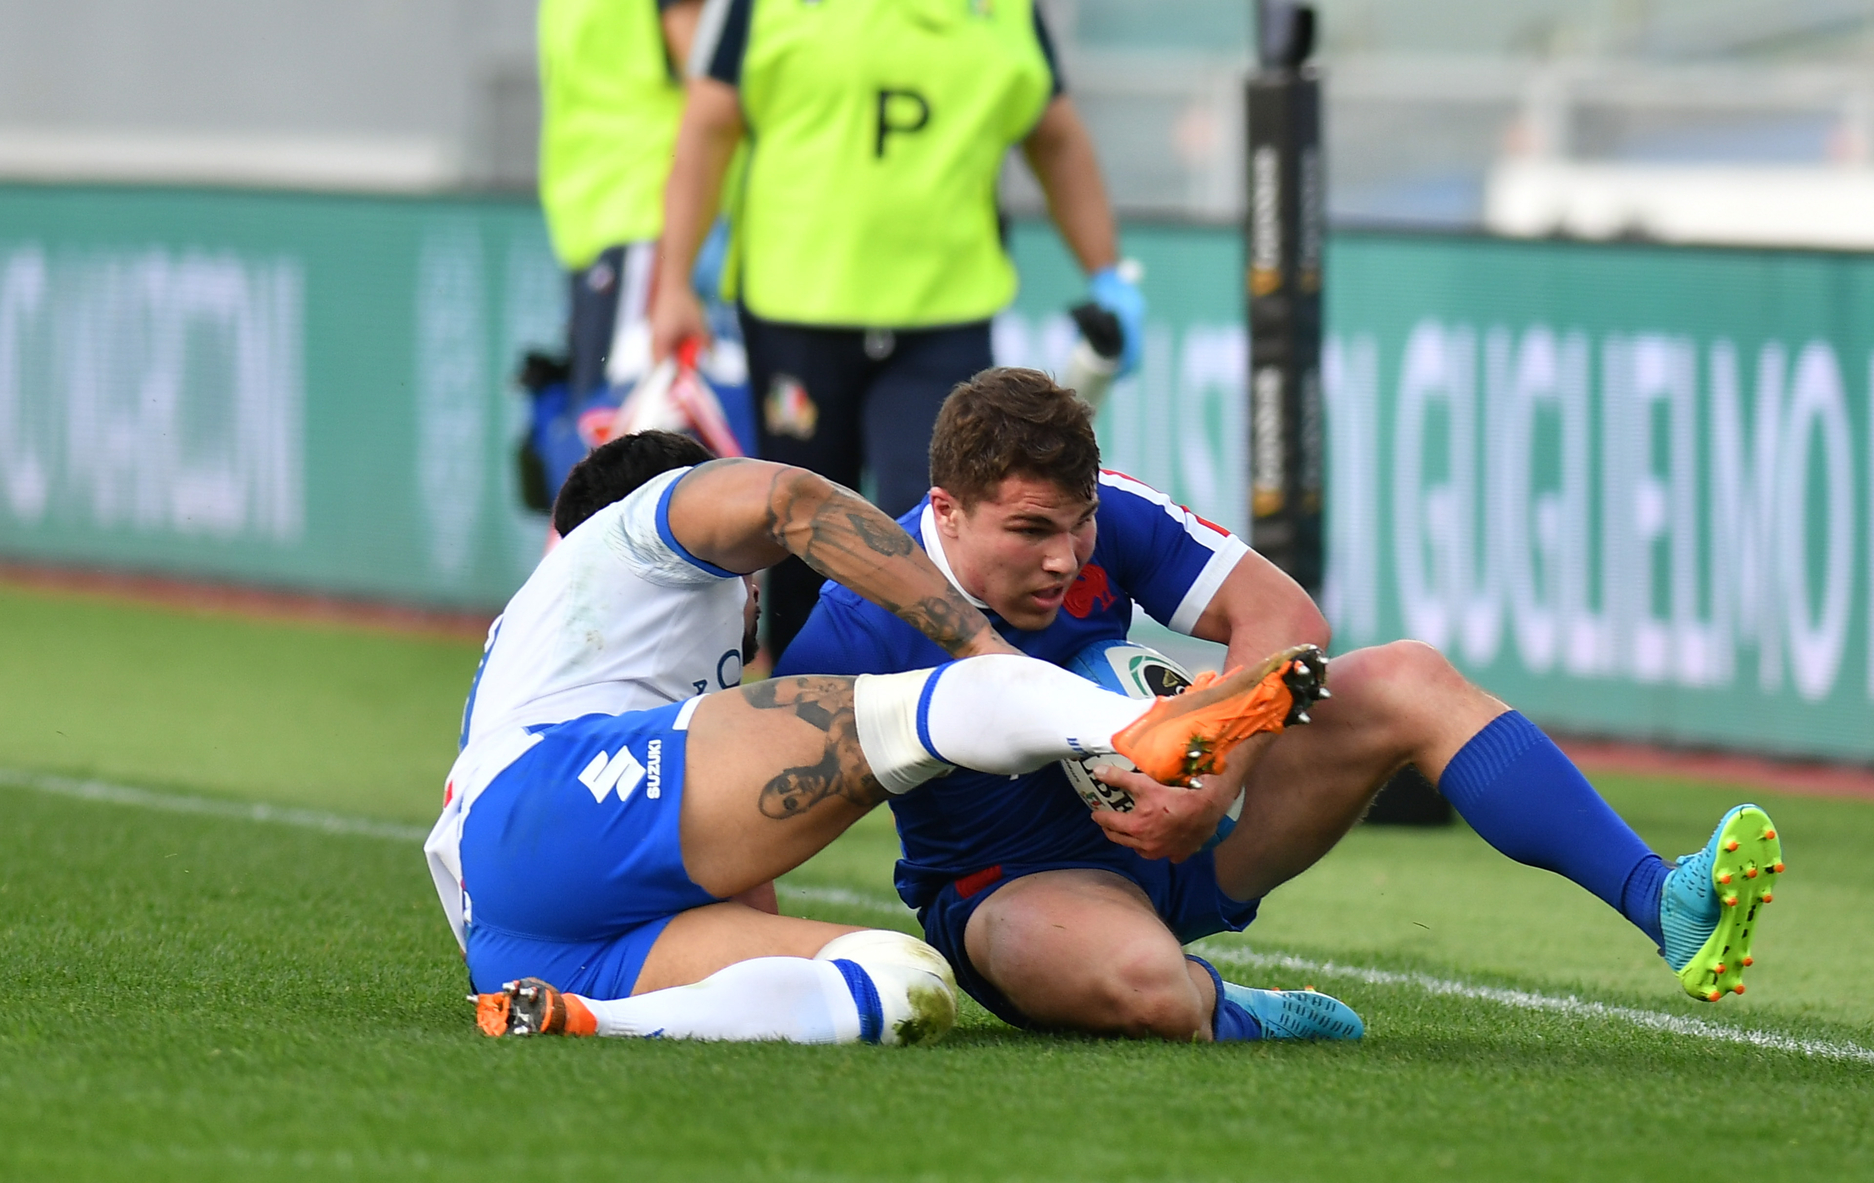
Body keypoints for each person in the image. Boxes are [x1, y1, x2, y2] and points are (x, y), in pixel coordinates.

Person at [776, 369, 1786, 1042]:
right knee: (1141, 986)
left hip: (1193, 830)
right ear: (945, 511)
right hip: (1016, 893)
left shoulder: (1109, 513)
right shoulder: (859, 621)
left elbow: (1286, 620)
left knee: (1406, 679)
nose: (1063, 556)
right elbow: (760, 813)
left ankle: (1665, 900)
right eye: (1032, 529)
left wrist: (1209, 787)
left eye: (1078, 525)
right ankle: (1238, 1008)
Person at [427, 429, 1328, 1045]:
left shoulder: (595, 647)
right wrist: (979, 650)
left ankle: (581, 1019)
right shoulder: (642, 528)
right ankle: (1143, 727)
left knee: (900, 982)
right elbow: (787, 498)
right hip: (547, 801)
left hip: (520, 940)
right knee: (915, 710)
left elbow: (734, 870)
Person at [647, 0, 1144, 660]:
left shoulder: (1005, 10)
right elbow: (708, 124)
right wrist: (673, 278)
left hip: (943, 313)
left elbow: (1054, 137)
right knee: (797, 540)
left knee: (942, 530)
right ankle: (800, 728)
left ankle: (946, 733)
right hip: (800, 308)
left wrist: (1107, 273)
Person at [538, 0, 707, 409]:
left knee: (622, 439)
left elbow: (715, 83)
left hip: (645, 217)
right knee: (596, 429)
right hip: (593, 226)